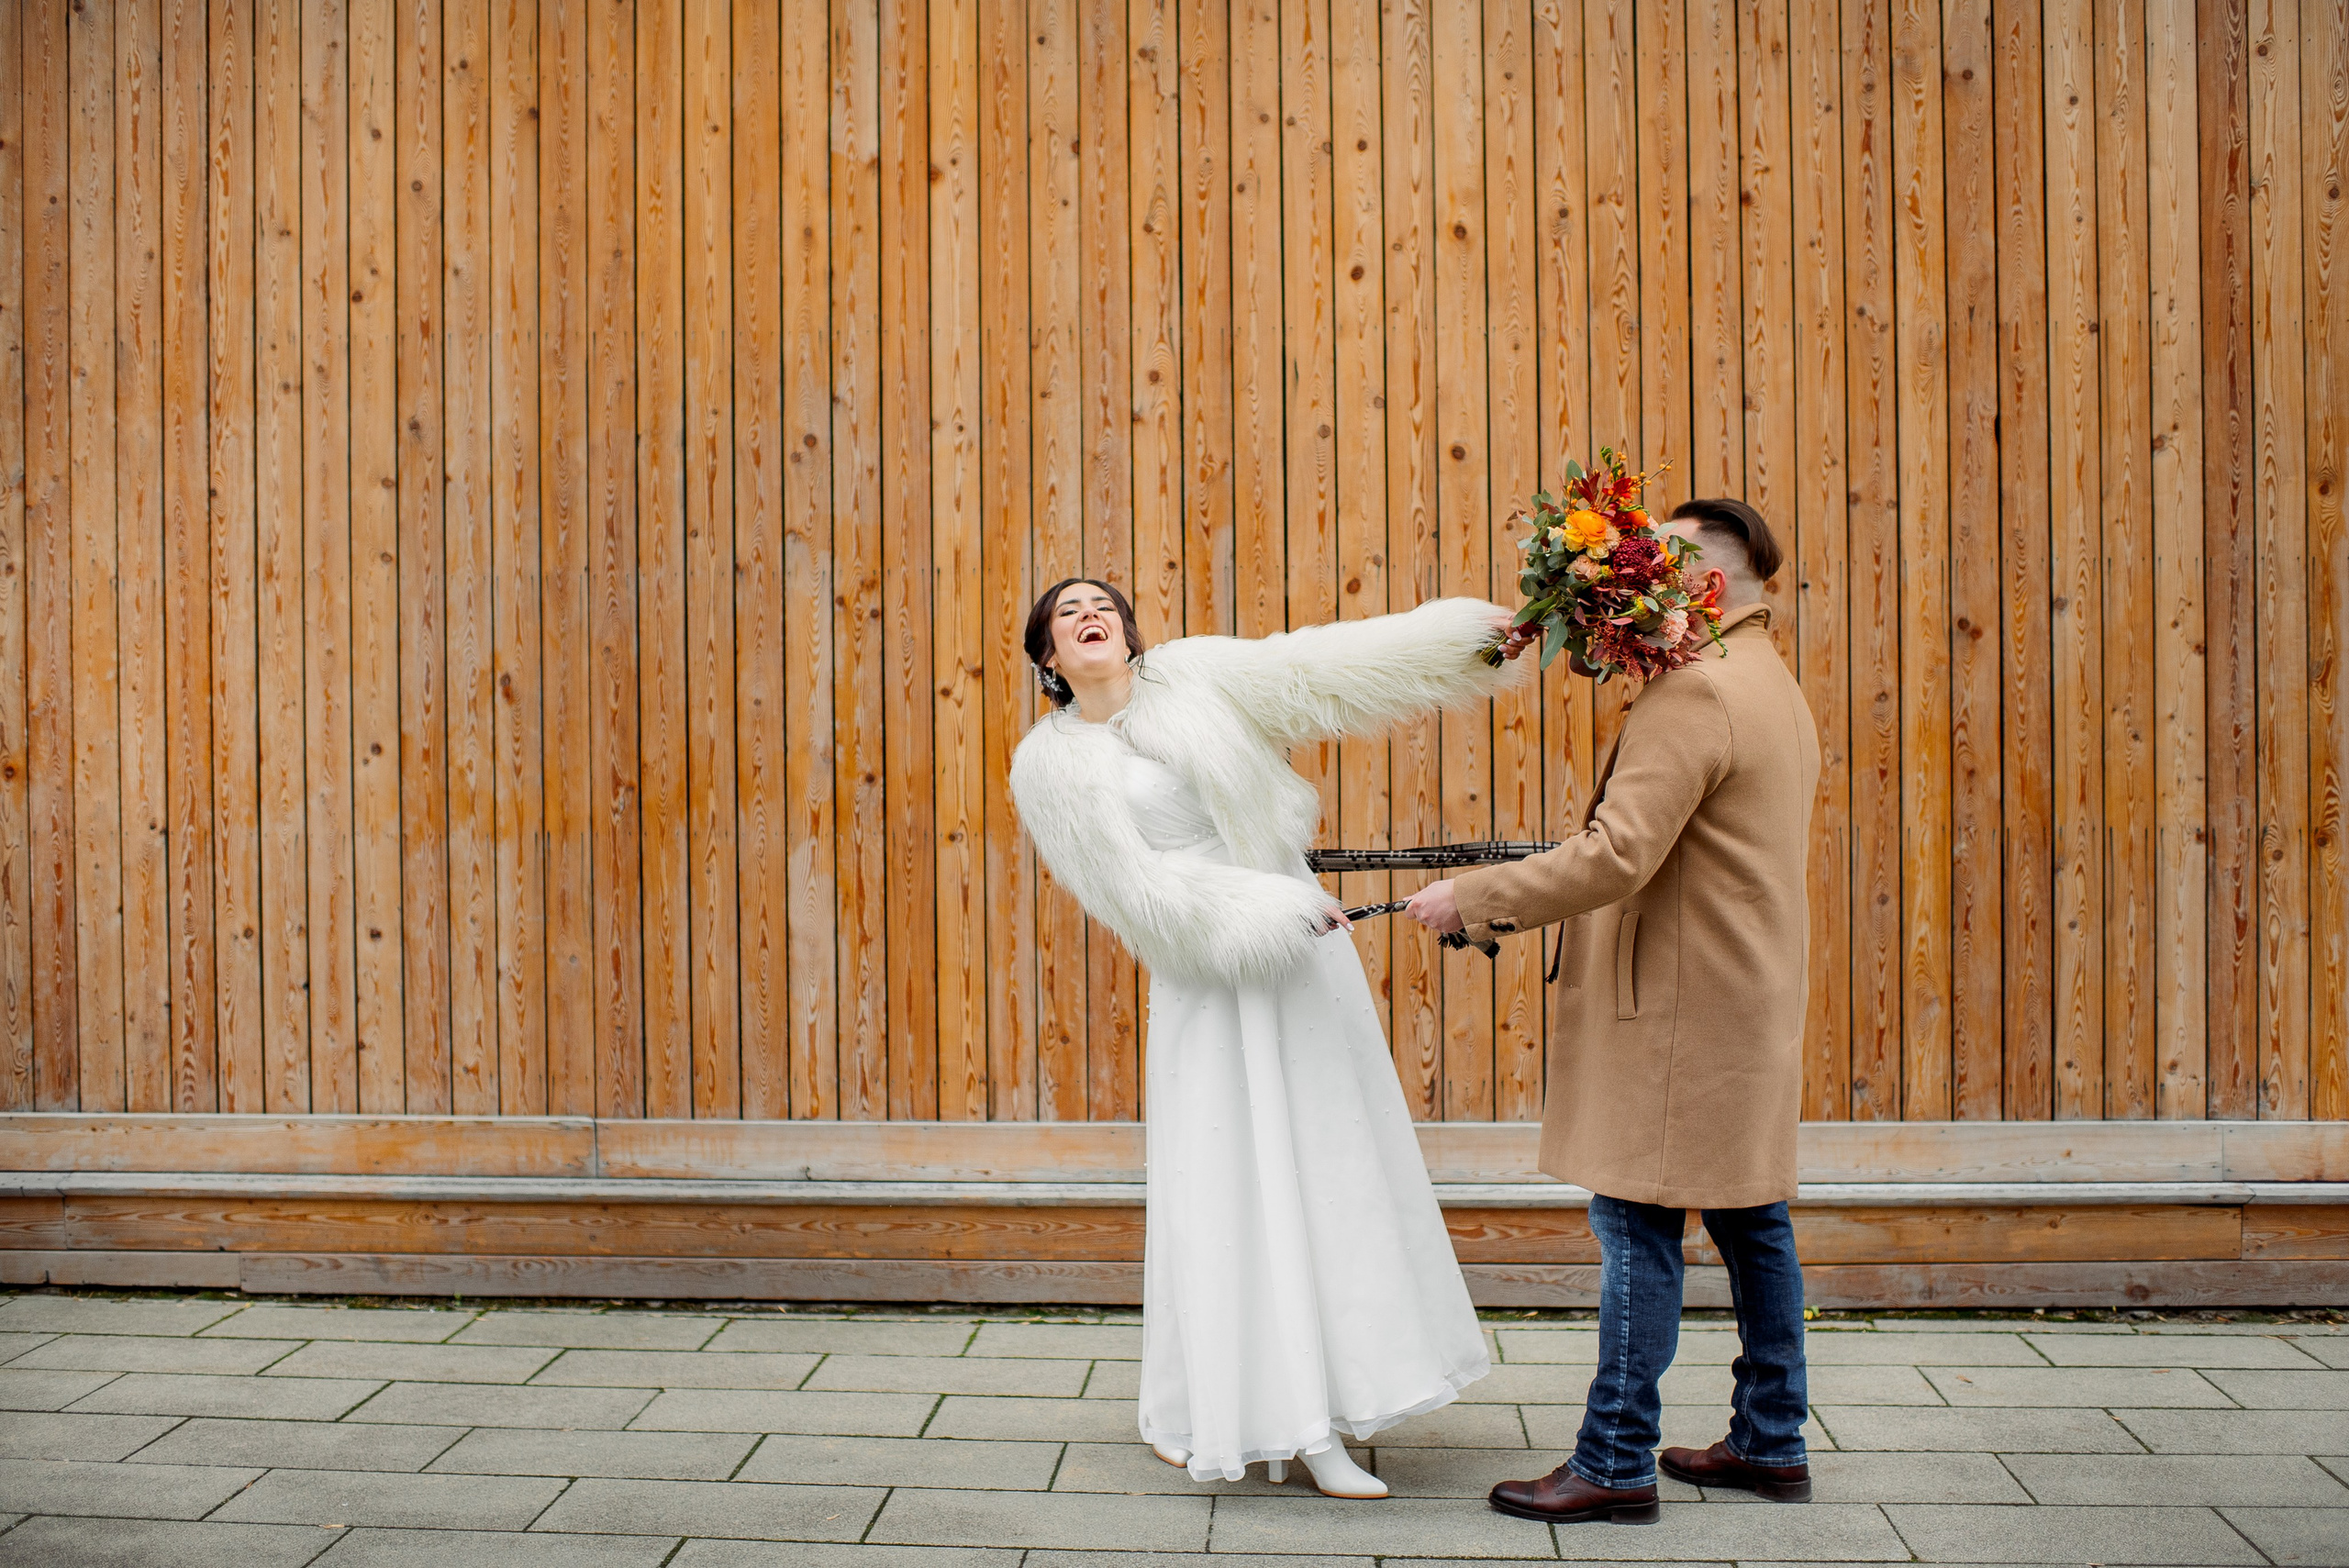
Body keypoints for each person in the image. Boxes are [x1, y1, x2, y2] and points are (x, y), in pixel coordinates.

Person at [1008, 578, 1523, 1497]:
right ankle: (1265, 1416)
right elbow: (1140, 895)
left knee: (1327, 1166)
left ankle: (1333, 1394)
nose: (1090, 615)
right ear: (1048, 655)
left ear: (1128, 631)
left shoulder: (1195, 673)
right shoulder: (1046, 765)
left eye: (1104, 605)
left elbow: (1314, 667)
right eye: (1066, 613)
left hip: (1304, 960)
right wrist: (1272, 907)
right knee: (1232, 1184)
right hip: (1215, 973)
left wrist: (1462, 643)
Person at [1405, 497, 1822, 1526]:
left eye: (1660, 565)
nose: (1634, 579)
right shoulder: (1772, 683)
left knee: (1633, 1219)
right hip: (1739, 992)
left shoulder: (1695, 691)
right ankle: (1772, 1440)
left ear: (1710, 588)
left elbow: (1615, 855)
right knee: (1750, 1218)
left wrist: (1479, 894)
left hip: (1682, 1007)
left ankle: (1614, 1458)